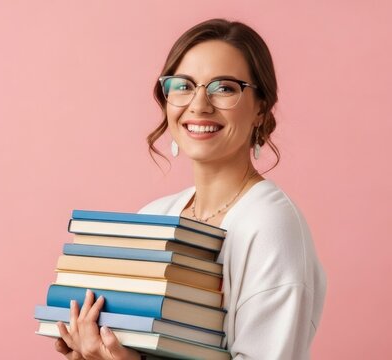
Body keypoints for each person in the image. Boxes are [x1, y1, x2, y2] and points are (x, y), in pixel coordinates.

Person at [53, 18, 327, 360]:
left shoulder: (271, 225)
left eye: (224, 87)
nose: (198, 105)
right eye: (183, 85)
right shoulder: (154, 216)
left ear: (260, 107)